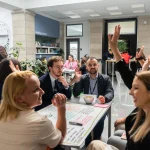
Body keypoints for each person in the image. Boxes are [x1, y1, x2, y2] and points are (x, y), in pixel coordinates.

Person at [0, 71, 67, 150]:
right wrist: (61, 108)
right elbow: (60, 139)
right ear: (19, 98)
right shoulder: (39, 122)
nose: (42, 91)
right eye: (36, 90)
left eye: (40, 87)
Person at [72, 57, 114, 146]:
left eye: (94, 64)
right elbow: (75, 93)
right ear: (86, 67)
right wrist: (77, 81)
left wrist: (105, 98)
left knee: (99, 120)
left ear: (98, 66)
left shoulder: (105, 78)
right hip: (86, 106)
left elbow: (110, 92)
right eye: (90, 65)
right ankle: (87, 142)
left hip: (99, 106)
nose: (92, 67)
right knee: (83, 120)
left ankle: (96, 140)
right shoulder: (83, 78)